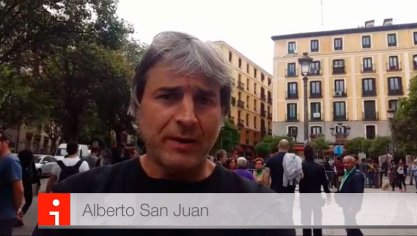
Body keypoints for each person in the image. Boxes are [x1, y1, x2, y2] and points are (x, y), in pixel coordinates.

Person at [33, 31, 295, 236]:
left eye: (204, 100)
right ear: (137, 105)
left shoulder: (265, 212)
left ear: (223, 113)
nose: (187, 117)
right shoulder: (70, 197)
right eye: (168, 96)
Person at [299, 145, 330, 236]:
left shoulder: (300, 166)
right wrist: (328, 194)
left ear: (304, 154)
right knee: (317, 219)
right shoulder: (319, 167)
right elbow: (324, 182)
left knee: (305, 219)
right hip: (316, 196)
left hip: (304, 197)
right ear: (313, 154)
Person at [0, 131, 24, 236]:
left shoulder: (11, 161)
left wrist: (17, 207)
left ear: (6, 142)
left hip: (4, 215)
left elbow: (19, 188)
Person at [337, 155, 364, 236]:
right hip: (346, 203)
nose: (345, 164)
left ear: (353, 163)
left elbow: (358, 193)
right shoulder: (347, 173)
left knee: (350, 225)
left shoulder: (357, 175)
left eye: (348, 163)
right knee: (349, 224)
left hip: (351, 205)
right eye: (344, 163)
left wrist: (353, 207)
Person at [16, 150, 40, 226]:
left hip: (17, 183)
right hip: (27, 184)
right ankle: (19, 216)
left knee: (16, 202)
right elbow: (35, 173)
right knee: (28, 201)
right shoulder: (30, 163)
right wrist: (38, 183)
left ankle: (18, 217)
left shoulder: (17, 162)